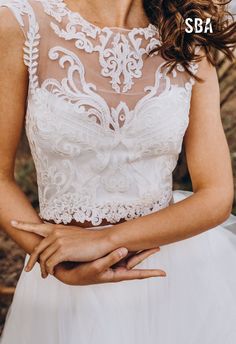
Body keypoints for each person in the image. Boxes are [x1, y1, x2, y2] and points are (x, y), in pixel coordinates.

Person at [0, 0, 236, 343]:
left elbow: (216, 194)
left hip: (173, 279)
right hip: (61, 287)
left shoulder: (188, 30)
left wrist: (105, 240)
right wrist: (56, 261)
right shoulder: (20, 25)